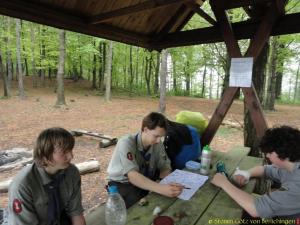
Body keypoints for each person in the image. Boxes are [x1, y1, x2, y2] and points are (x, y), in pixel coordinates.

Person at [211, 125, 300, 220]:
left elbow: (256, 209)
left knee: (225, 217)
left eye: (269, 153)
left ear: (282, 152)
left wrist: (224, 183)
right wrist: (246, 174)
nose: (267, 156)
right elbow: (265, 170)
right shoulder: (291, 165)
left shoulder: (297, 184)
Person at [8, 127, 86, 225]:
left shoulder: (71, 173)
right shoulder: (22, 186)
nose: (71, 156)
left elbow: (76, 213)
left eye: (70, 150)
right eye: (64, 152)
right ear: (45, 155)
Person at [107, 112, 184, 208]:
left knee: (163, 201)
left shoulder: (157, 143)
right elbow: (133, 176)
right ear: (145, 129)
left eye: (161, 137)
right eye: (156, 136)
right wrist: (161, 188)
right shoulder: (126, 142)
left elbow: (165, 166)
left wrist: (163, 181)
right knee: (142, 207)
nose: (159, 141)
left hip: (145, 177)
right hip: (122, 183)